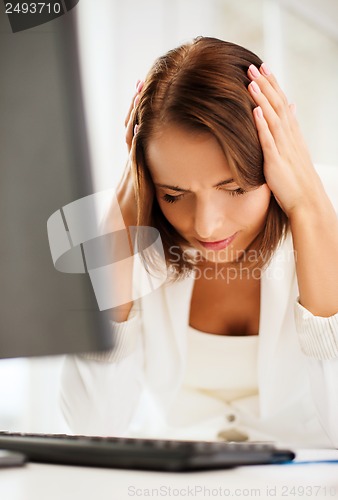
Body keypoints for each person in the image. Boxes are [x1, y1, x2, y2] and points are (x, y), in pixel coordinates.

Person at [60, 37, 338, 447]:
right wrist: (121, 223)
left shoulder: (325, 211)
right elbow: (90, 427)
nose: (206, 227)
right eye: (174, 194)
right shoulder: (125, 233)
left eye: (236, 189)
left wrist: (310, 208)